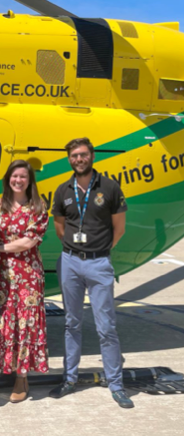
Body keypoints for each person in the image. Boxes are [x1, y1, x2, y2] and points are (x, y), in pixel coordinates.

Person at [49, 137, 133, 408]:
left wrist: (100, 250)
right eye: (74, 156)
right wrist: (75, 250)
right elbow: (60, 227)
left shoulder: (108, 187)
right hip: (71, 262)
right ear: (69, 159)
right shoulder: (63, 189)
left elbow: (119, 228)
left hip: (99, 264)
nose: (79, 159)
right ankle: (69, 379)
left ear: (92, 156)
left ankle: (116, 384)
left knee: (106, 327)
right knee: (71, 323)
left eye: (83, 154)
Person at [0, 160, 49, 403]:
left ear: (30, 180)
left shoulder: (38, 207)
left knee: (26, 325)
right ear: (7, 179)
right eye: (14, 176)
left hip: (28, 277)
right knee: (5, 324)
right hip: (1, 277)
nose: (18, 180)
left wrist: (0, 247)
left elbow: (28, 243)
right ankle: (9, 367)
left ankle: (22, 377)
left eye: (23, 176)